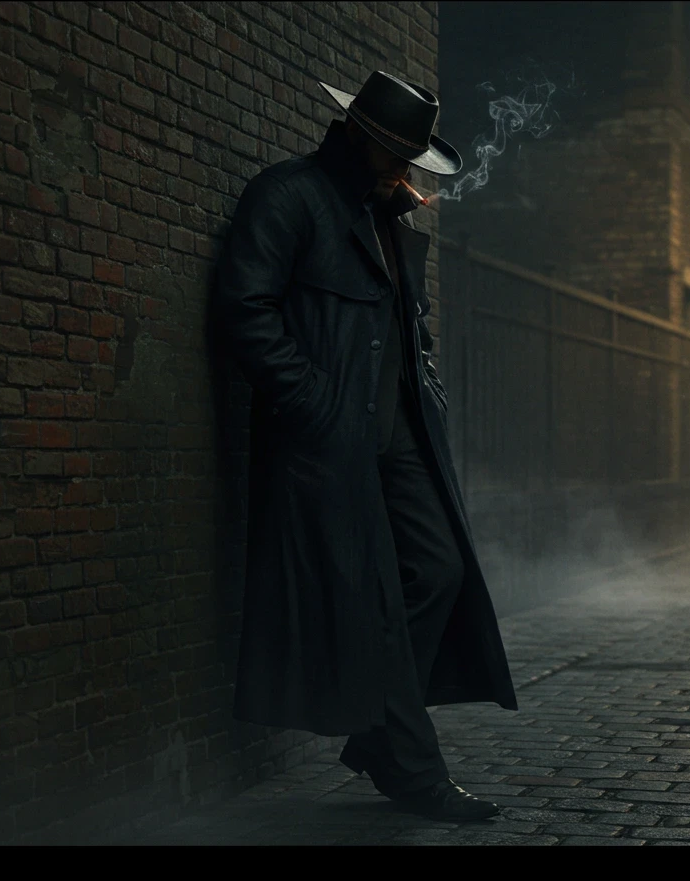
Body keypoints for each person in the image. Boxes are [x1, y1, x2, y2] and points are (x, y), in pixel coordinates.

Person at [213, 71, 518, 822]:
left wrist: (428, 390)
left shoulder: (389, 217)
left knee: (440, 570)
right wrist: (315, 402)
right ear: (355, 135)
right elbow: (244, 310)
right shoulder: (288, 196)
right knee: (378, 601)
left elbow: (409, 331)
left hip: (401, 436)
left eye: (411, 158)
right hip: (329, 445)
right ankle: (415, 771)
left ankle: (380, 733)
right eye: (393, 155)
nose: (405, 171)